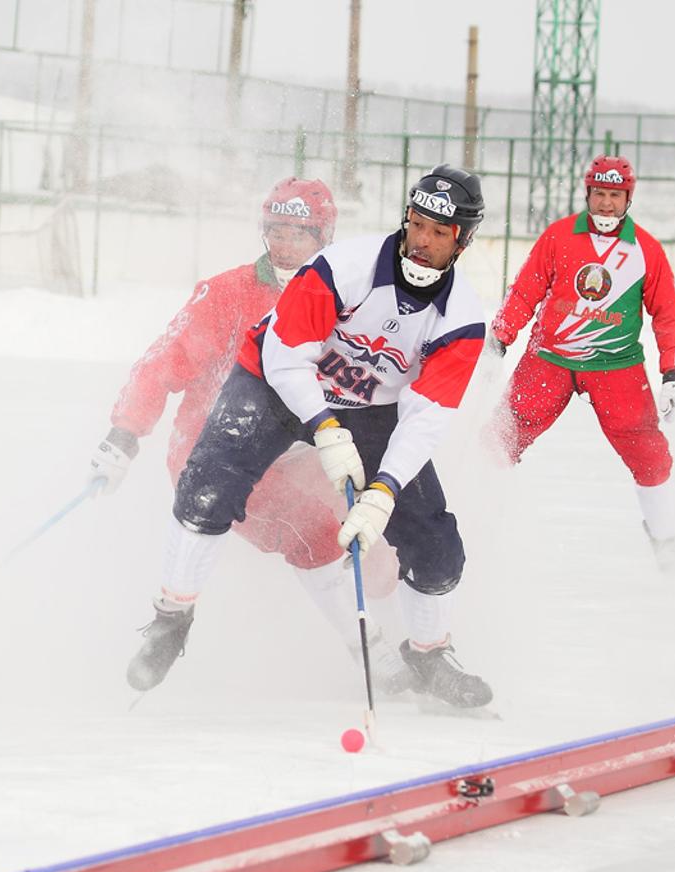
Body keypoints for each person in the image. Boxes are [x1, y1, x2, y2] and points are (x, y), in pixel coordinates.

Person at [126, 163, 494, 708]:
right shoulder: (343, 267)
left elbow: (427, 416)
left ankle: (429, 651)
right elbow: (284, 353)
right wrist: (324, 428)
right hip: (277, 380)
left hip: (373, 408)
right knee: (211, 479)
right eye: (417, 225)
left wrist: (385, 489)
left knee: (435, 542)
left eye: (439, 234)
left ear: (461, 242)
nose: (422, 242)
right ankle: (172, 617)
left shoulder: (460, 316)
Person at [88, 176, 401, 690]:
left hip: (302, 448)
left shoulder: (348, 298)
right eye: (275, 229)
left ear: (325, 237)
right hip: (218, 448)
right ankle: (369, 653)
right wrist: (124, 434)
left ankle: (417, 634)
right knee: (316, 535)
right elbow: (163, 362)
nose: (283, 243)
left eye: (299, 233)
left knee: (382, 554)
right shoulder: (229, 292)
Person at [489, 154, 675, 571]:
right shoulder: (559, 236)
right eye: (599, 193)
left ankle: (665, 538)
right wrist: (499, 339)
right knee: (500, 437)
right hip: (549, 359)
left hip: (617, 366)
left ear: (628, 198)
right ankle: (471, 515)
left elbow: (668, 313)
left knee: (649, 452)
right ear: (588, 193)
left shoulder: (646, 250)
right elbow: (526, 290)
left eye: (615, 195)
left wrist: (674, 372)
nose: (605, 204)